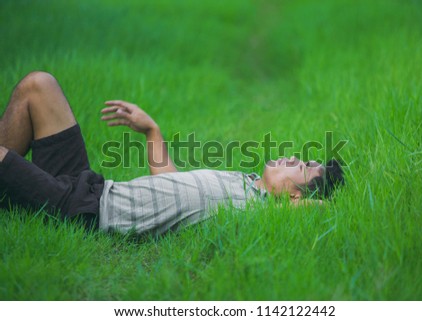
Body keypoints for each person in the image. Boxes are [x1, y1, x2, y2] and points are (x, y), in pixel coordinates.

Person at [0, 71, 344, 235]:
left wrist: (315, 194)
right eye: (301, 157)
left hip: (82, 213)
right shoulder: (244, 183)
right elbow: (170, 186)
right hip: (90, 186)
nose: (293, 159)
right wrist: (152, 130)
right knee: (38, 86)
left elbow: (324, 206)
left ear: (297, 198)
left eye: (302, 168)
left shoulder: (256, 212)